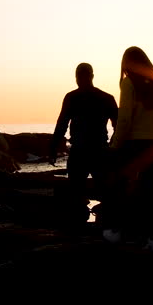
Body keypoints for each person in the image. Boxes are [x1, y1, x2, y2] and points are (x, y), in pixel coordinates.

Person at [103, 47, 153, 247]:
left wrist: (115, 146)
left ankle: (117, 231)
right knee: (150, 191)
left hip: (135, 144)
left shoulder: (129, 82)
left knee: (117, 186)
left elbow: (124, 119)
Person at [49, 63, 118, 225]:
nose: (80, 79)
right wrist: (114, 146)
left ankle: (81, 227)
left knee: (78, 192)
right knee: (102, 192)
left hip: (83, 151)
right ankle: (104, 228)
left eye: (80, 76)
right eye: (79, 76)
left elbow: (62, 124)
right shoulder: (106, 98)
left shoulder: (72, 97)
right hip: (98, 150)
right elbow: (119, 126)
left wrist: (53, 148)